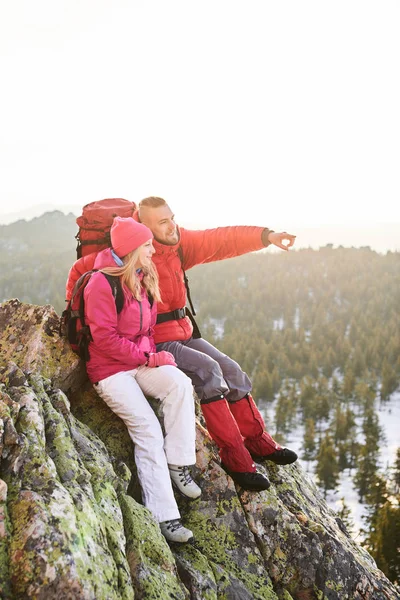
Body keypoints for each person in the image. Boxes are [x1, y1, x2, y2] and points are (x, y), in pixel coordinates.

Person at [135, 196, 299, 492]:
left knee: (232, 371)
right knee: (208, 371)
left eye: (172, 217)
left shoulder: (177, 244)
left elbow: (221, 240)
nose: (172, 225)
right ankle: (234, 457)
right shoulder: (136, 256)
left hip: (185, 332)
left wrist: (266, 236)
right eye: (162, 222)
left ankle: (258, 442)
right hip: (155, 340)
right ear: (143, 227)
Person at [82, 215, 201, 543]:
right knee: (148, 430)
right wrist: (148, 357)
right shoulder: (100, 283)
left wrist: (151, 355)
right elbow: (103, 339)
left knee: (179, 383)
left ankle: (178, 462)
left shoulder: (143, 276)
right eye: (147, 244)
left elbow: (147, 330)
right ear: (133, 248)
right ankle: (165, 516)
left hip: (137, 362)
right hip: (109, 371)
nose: (152, 249)